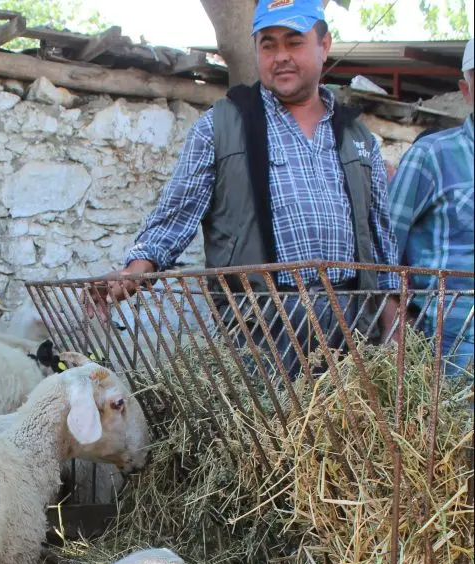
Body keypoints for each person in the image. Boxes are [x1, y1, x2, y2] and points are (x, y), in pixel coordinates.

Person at [88, 0, 400, 375]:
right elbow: (175, 216)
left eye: (294, 42)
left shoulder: (356, 136)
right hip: (261, 329)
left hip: (349, 328)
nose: (280, 56)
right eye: (268, 44)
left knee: (345, 431)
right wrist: (133, 272)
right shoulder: (221, 126)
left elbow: (381, 245)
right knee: (269, 431)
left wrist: (394, 330)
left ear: (324, 45)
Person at [388, 39, 474, 374]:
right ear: (466, 90)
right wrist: (394, 325)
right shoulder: (432, 156)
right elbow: (383, 249)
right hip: (452, 349)